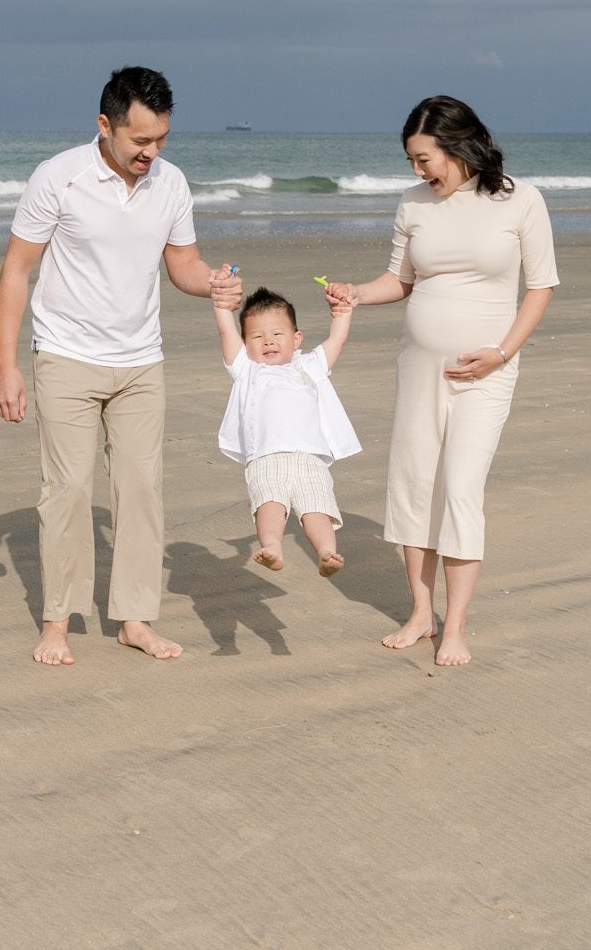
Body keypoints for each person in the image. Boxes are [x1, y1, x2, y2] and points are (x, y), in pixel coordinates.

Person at [0, 66, 243, 666]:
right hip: (66, 356)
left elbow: (181, 265)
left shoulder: (171, 183)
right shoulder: (58, 177)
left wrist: (211, 283)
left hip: (141, 362)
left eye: (161, 139)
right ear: (105, 126)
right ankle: (58, 623)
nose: (151, 153)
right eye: (140, 140)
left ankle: (134, 619)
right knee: (68, 490)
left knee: (141, 490)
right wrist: (7, 365)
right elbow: (17, 271)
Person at [324, 96, 558, 667]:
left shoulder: (520, 199)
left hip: (487, 371)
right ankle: (420, 614)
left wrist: (501, 353)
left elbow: (541, 287)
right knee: (415, 484)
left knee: (459, 488)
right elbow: (400, 280)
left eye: (423, 158)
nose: (417, 170)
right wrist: (357, 293)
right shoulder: (413, 203)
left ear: (457, 146)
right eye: (410, 159)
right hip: (420, 367)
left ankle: (455, 627)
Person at [212, 283, 362, 581]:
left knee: (316, 506)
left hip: (309, 457)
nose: (268, 341)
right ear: (245, 343)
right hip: (266, 456)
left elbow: (337, 340)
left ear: (296, 339)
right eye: (257, 337)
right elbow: (226, 332)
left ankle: (326, 552)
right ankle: (272, 546)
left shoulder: (309, 366)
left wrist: (342, 311)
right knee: (269, 503)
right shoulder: (246, 370)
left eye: (277, 334)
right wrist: (221, 305)